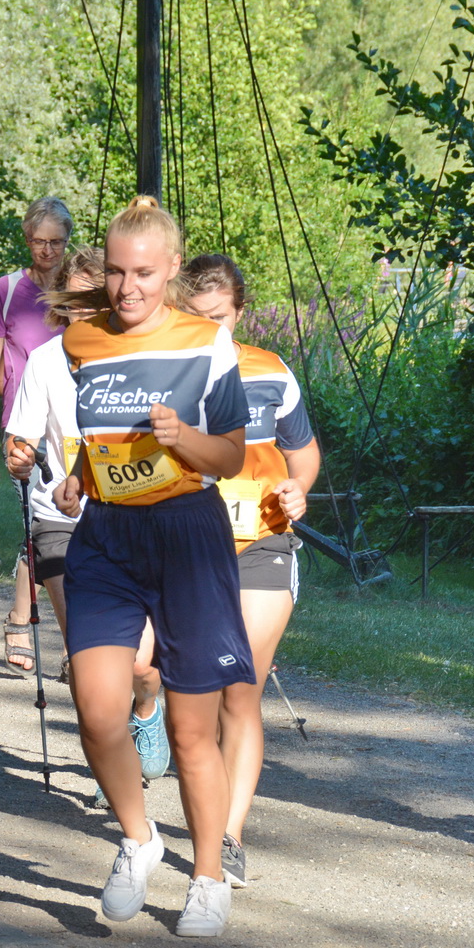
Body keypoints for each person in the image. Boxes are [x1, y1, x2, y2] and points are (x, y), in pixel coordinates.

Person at [52, 196, 252, 938]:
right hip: (106, 536)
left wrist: (183, 437)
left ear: (171, 269)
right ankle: (139, 839)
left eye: (143, 272)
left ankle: (207, 877)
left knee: (194, 730)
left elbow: (229, 455)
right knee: (96, 704)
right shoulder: (83, 342)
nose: (126, 286)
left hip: (186, 537)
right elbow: (101, 432)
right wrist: (80, 473)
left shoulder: (206, 343)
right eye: (114, 270)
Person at [5, 245, 168, 801]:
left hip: (133, 516)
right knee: (87, 654)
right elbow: (20, 436)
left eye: (90, 300)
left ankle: (146, 707)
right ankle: (115, 760)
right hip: (60, 516)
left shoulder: (142, 354)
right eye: (70, 302)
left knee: (141, 664)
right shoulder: (46, 361)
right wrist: (19, 455)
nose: (80, 312)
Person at [180, 254, 321, 890]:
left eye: (219, 318)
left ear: (238, 313)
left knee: (241, 690)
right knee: (193, 693)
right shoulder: (167, 370)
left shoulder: (269, 371)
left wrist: (298, 490)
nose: (209, 329)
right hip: (186, 543)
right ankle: (158, 724)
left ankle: (228, 836)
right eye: (195, 317)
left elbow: (304, 454)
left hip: (262, 542)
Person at [0, 196, 73, 670]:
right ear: (27, 240)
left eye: (56, 242)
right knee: (41, 524)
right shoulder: (6, 290)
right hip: (25, 427)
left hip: (77, 425)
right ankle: (32, 624)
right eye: (39, 241)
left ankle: (28, 618)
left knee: (76, 530)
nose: (47, 251)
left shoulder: (83, 287)